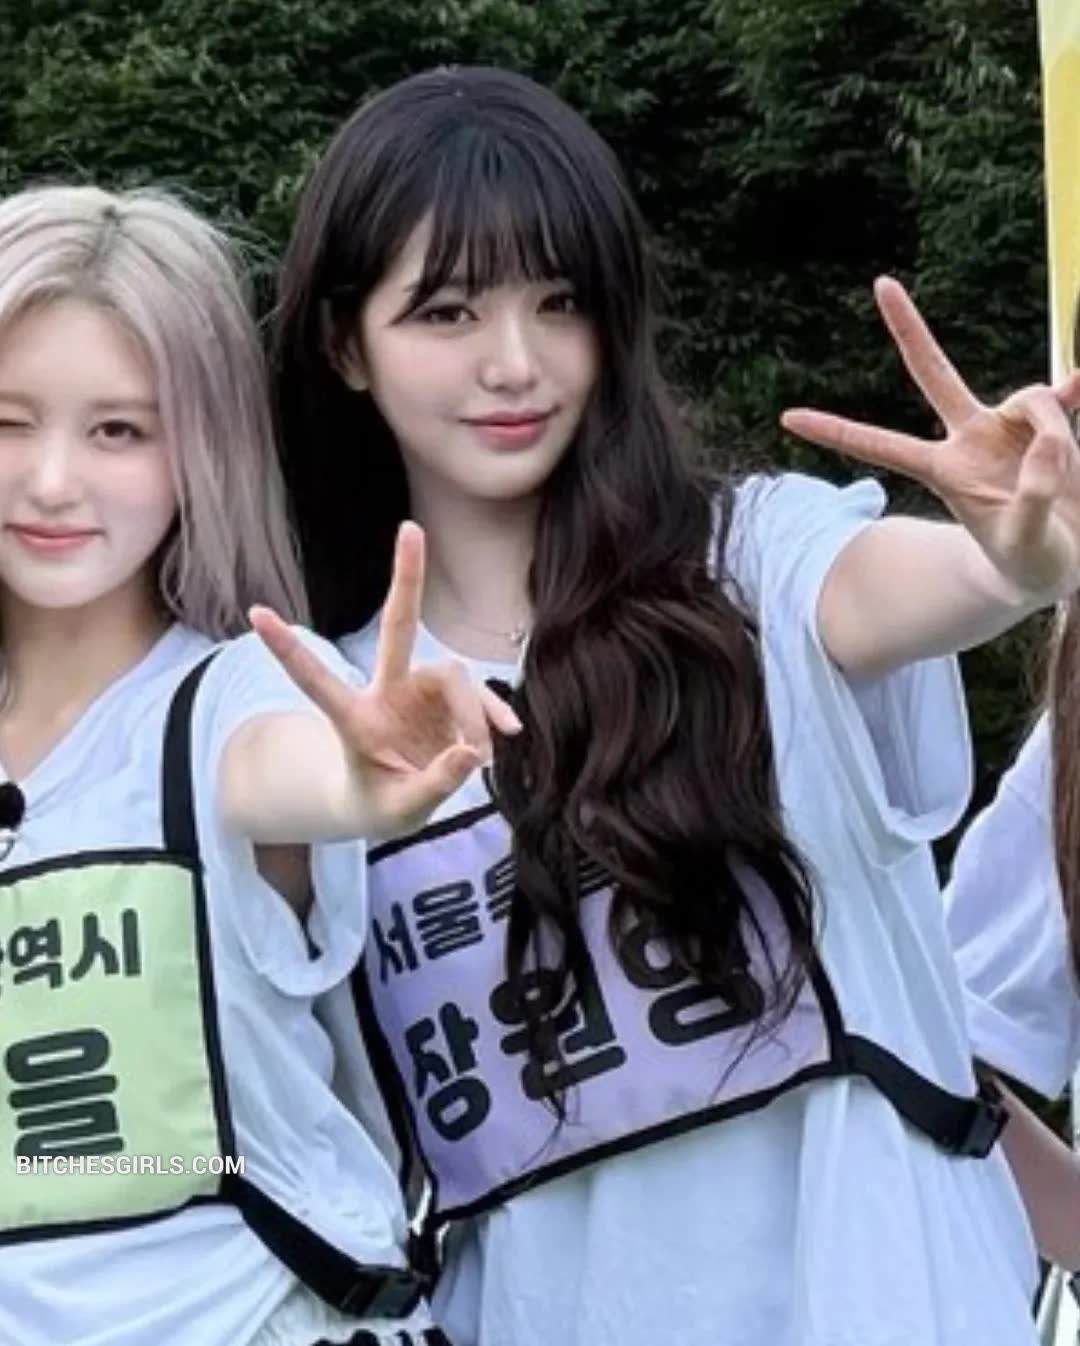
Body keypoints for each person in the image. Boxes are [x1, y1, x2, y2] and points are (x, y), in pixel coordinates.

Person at [270, 66, 1080, 1346]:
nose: (514, 363)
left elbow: (899, 589)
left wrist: (1014, 565)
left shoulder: (752, 566)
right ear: (342, 343)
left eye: (560, 301)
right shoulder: (323, 715)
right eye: (446, 311)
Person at [0, 183, 518, 1346]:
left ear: (202, 448)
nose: (51, 480)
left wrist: (362, 780)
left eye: (119, 430)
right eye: (8, 421)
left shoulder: (231, 696)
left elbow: (291, 768)